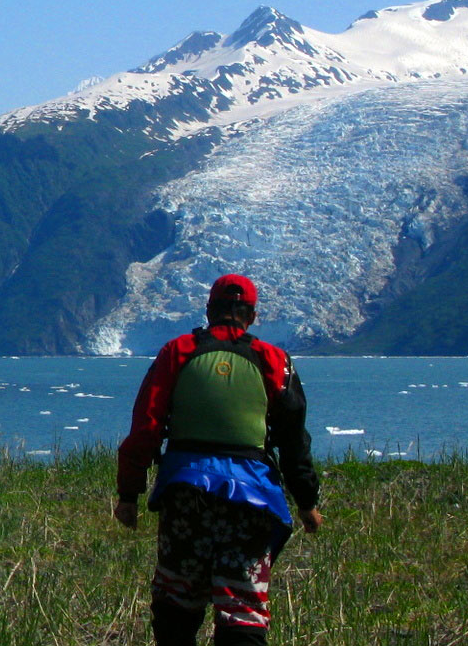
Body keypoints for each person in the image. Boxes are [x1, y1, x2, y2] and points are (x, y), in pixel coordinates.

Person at [113, 274, 323, 646]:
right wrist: (306, 501)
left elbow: (146, 427)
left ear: (209, 311)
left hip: (186, 493)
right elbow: (293, 439)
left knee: (176, 605)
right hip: (251, 499)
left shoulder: (178, 351)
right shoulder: (273, 360)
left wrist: (129, 493)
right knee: (242, 609)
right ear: (252, 316)